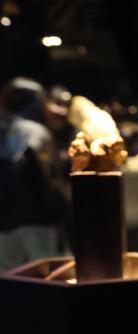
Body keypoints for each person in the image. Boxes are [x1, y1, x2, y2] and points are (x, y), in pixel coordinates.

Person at [0, 77, 68, 271]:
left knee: (8, 282)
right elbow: (48, 179)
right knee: (45, 279)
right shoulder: (36, 132)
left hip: (5, 226)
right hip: (38, 224)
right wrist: (61, 210)